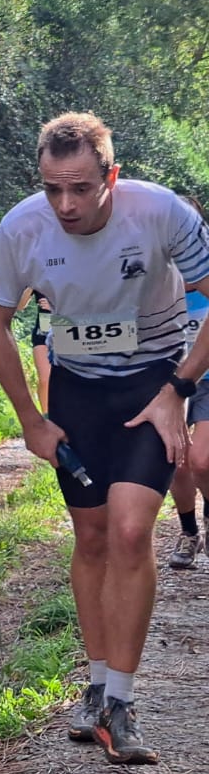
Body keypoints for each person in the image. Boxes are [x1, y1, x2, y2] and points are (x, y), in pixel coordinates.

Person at [0, 112, 209, 766]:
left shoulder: (160, 213)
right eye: (53, 189)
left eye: (80, 188)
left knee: (133, 531)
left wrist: (180, 391)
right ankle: (98, 682)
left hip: (152, 390)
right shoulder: (22, 227)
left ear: (112, 175)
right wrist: (30, 419)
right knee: (94, 537)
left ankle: (122, 706)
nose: (65, 204)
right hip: (78, 394)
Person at [167, 194, 209, 569]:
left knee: (203, 460)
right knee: (177, 462)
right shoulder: (152, 282)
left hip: (208, 381)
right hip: (167, 382)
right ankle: (188, 531)